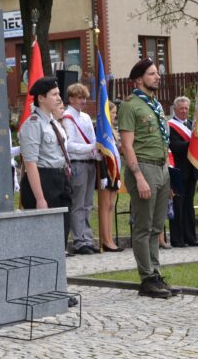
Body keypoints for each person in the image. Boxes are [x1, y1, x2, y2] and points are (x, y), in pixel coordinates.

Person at [117, 58, 179, 298]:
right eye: (152, 74)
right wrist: (139, 177)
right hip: (143, 168)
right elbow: (128, 146)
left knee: (156, 226)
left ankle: (156, 273)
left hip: (161, 168)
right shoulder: (130, 106)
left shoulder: (155, 105)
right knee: (143, 227)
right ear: (139, 79)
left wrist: (168, 174)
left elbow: (163, 141)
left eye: (157, 73)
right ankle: (147, 278)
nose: (158, 77)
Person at [19, 77, 73, 248]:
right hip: (44, 181)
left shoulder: (53, 123)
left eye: (59, 94)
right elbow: (30, 164)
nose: (59, 98)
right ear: (41, 98)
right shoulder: (33, 125)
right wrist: (40, 199)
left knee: (62, 233)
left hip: (60, 178)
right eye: (54, 94)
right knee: (45, 240)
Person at [61, 83, 99, 255]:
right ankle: (79, 240)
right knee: (78, 204)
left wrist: (96, 150)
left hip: (90, 162)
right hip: (78, 163)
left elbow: (92, 139)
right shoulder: (67, 116)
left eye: (84, 97)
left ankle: (87, 238)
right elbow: (69, 145)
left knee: (88, 203)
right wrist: (91, 148)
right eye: (79, 98)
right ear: (71, 99)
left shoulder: (85, 117)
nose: (83, 101)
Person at [167, 96, 198, 248]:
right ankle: (177, 239)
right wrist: (192, 142)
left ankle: (191, 237)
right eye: (181, 108)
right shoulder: (171, 126)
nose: (184, 111)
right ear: (175, 109)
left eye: (186, 108)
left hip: (191, 170)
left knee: (189, 205)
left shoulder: (190, 125)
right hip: (178, 170)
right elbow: (174, 146)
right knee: (178, 205)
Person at [97, 102, 122, 252]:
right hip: (106, 172)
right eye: (112, 113)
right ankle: (105, 239)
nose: (114, 115)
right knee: (105, 205)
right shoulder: (101, 130)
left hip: (115, 171)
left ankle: (110, 237)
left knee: (111, 206)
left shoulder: (113, 131)